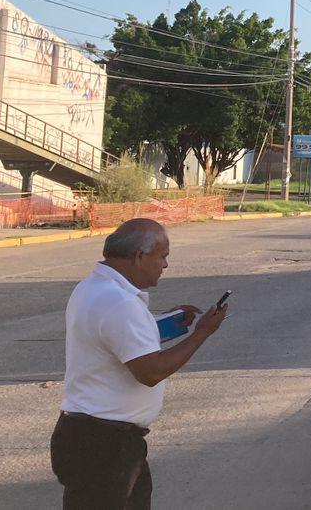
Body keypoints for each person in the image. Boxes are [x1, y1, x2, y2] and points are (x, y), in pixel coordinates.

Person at [52, 218, 229, 509]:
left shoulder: (93, 287)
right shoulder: (118, 302)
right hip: (104, 444)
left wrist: (161, 323)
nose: (166, 265)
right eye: (163, 256)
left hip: (90, 435)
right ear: (140, 256)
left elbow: (117, 340)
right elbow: (151, 371)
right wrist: (202, 333)